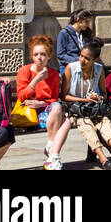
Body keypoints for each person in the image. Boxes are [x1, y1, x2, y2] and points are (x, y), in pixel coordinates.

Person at [61, 45, 111, 169]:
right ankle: (103, 159)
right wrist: (83, 99)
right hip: (74, 109)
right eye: (81, 56)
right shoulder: (71, 68)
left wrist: (98, 97)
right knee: (86, 124)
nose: (82, 60)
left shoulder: (99, 69)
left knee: (104, 121)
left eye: (86, 58)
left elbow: (104, 92)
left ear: (94, 60)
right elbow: (63, 96)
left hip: (91, 107)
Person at [16, 35, 70, 170]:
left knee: (63, 113)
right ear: (32, 56)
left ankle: (51, 148)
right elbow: (22, 96)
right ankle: (53, 155)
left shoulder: (53, 74)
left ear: (49, 56)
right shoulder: (24, 71)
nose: (39, 57)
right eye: (36, 54)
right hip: (30, 115)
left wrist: (42, 104)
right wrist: (36, 80)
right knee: (66, 121)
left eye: (43, 54)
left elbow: (53, 98)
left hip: (47, 112)